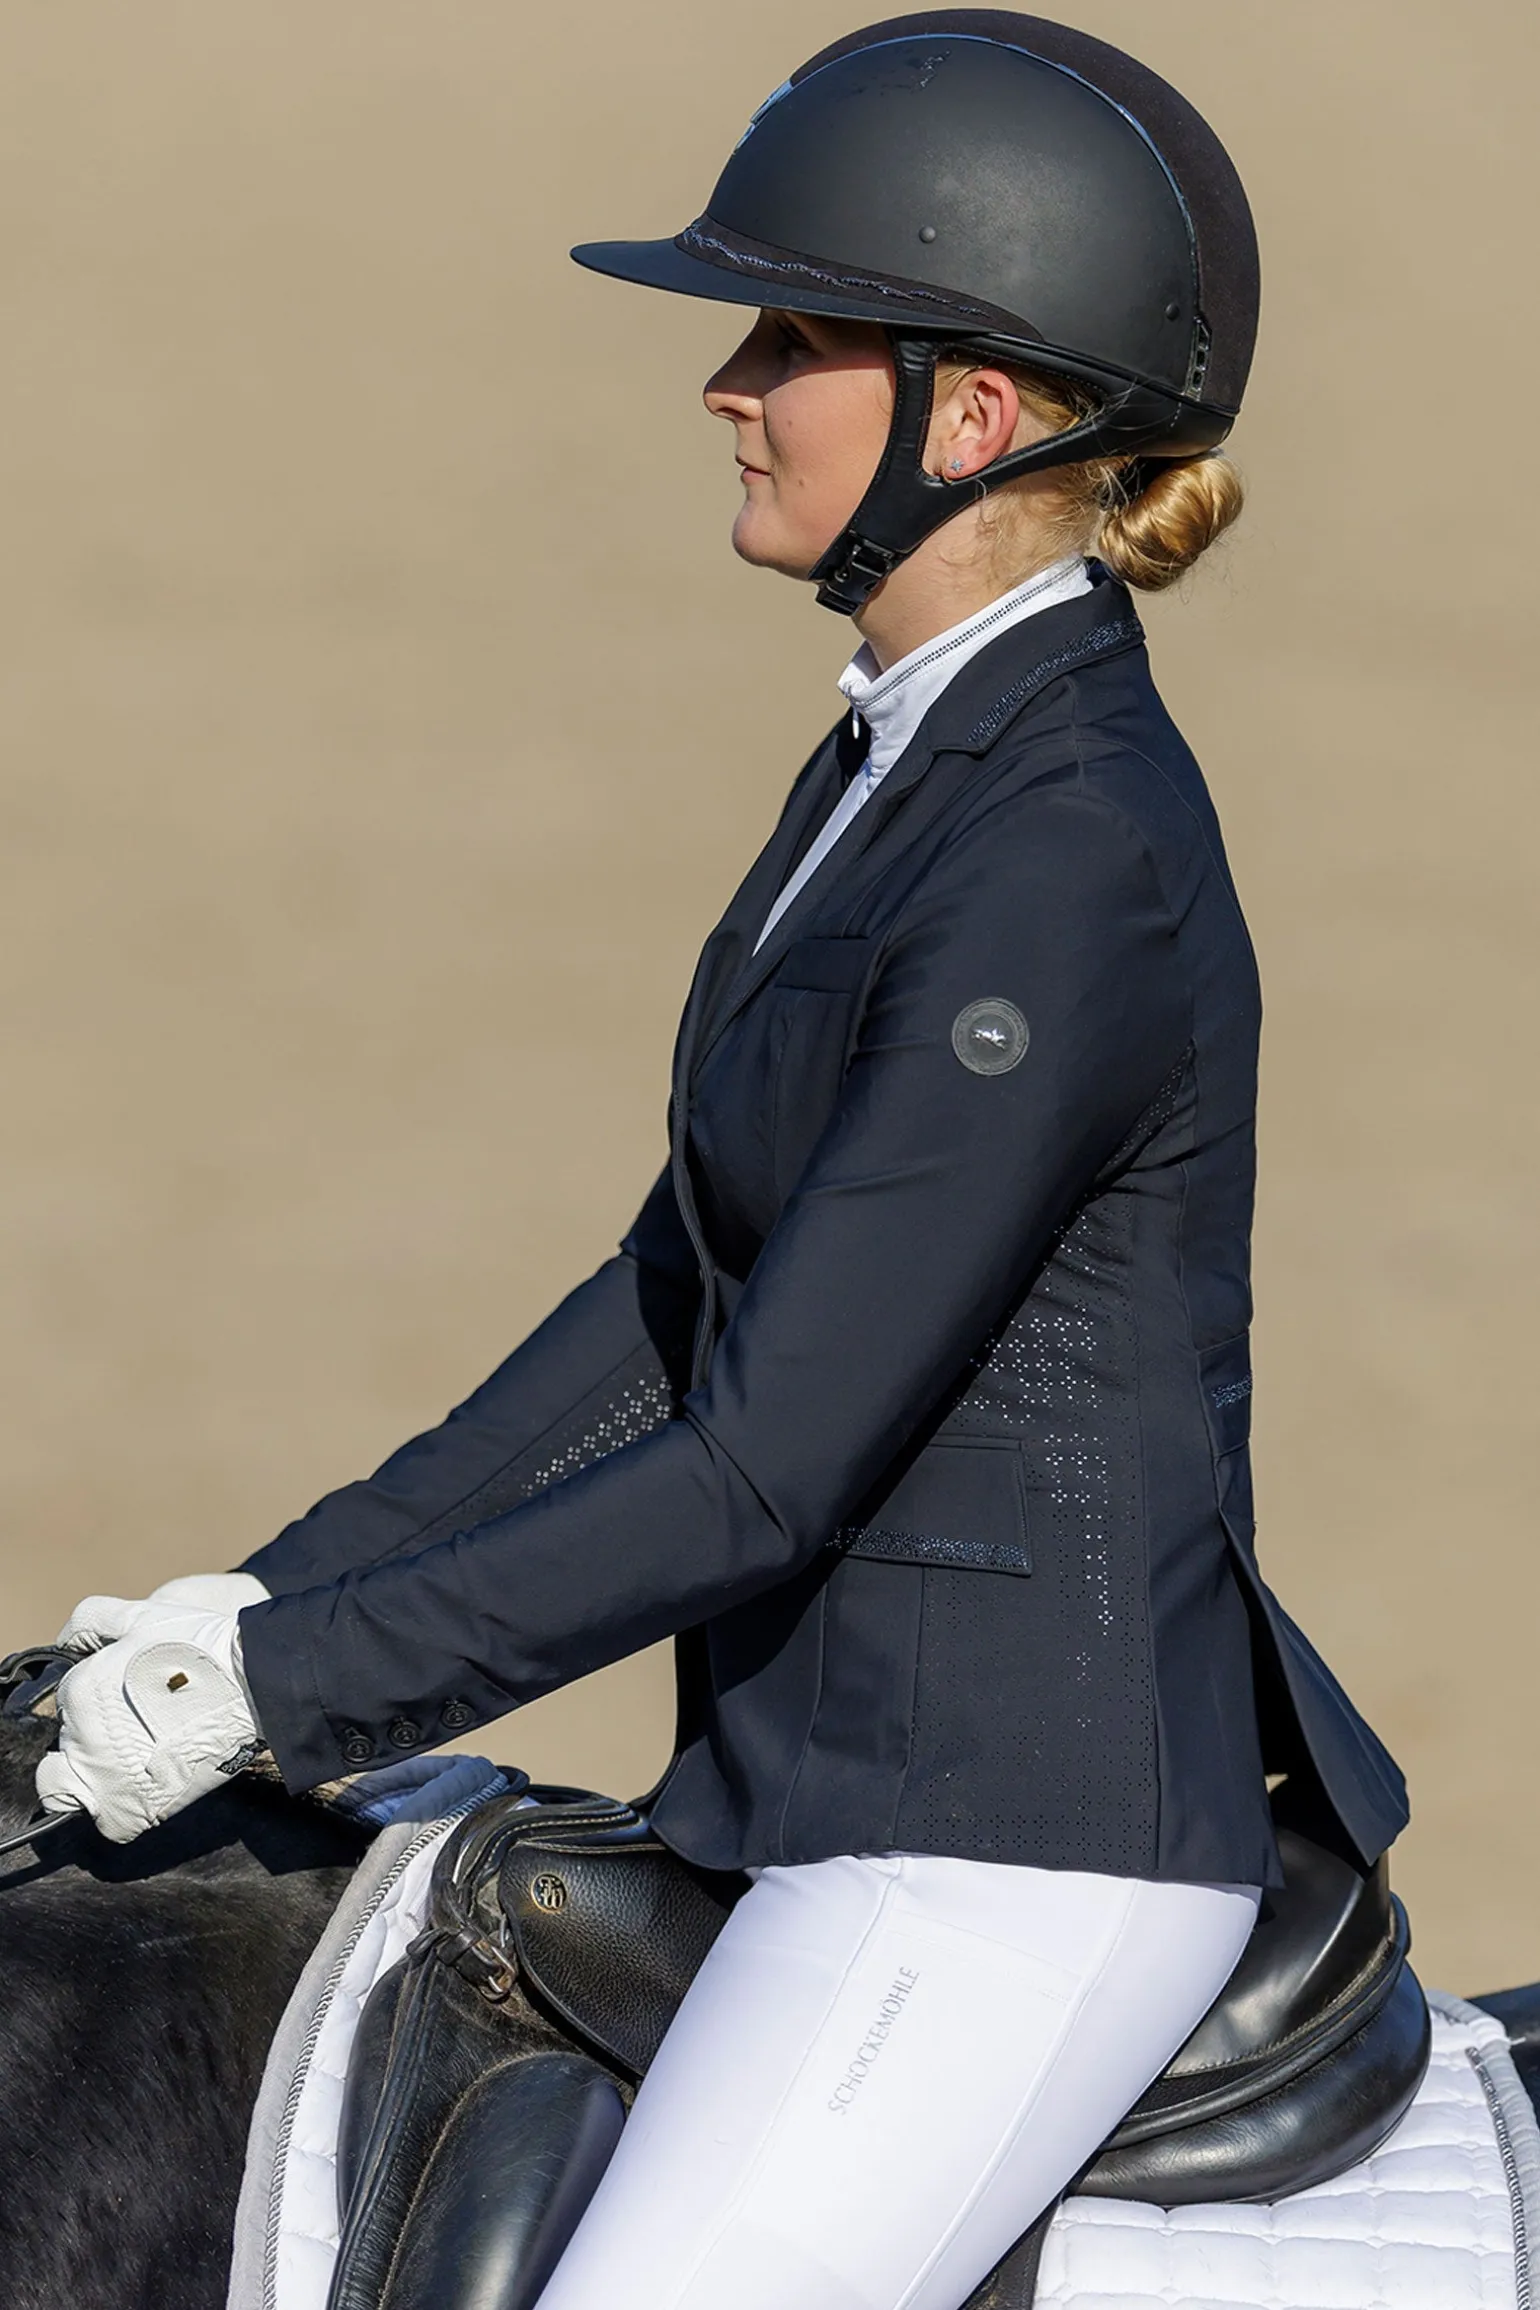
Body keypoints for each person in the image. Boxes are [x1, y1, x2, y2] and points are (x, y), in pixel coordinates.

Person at [37, 16, 1409, 2308]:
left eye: (788, 341)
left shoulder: (1060, 855)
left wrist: (305, 1696)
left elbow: (764, 1466)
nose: (727, 387)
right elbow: (669, 1303)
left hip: (1003, 1859)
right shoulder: (905, 762)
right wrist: (254, 1609)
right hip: (837, 1799)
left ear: (971, 417)